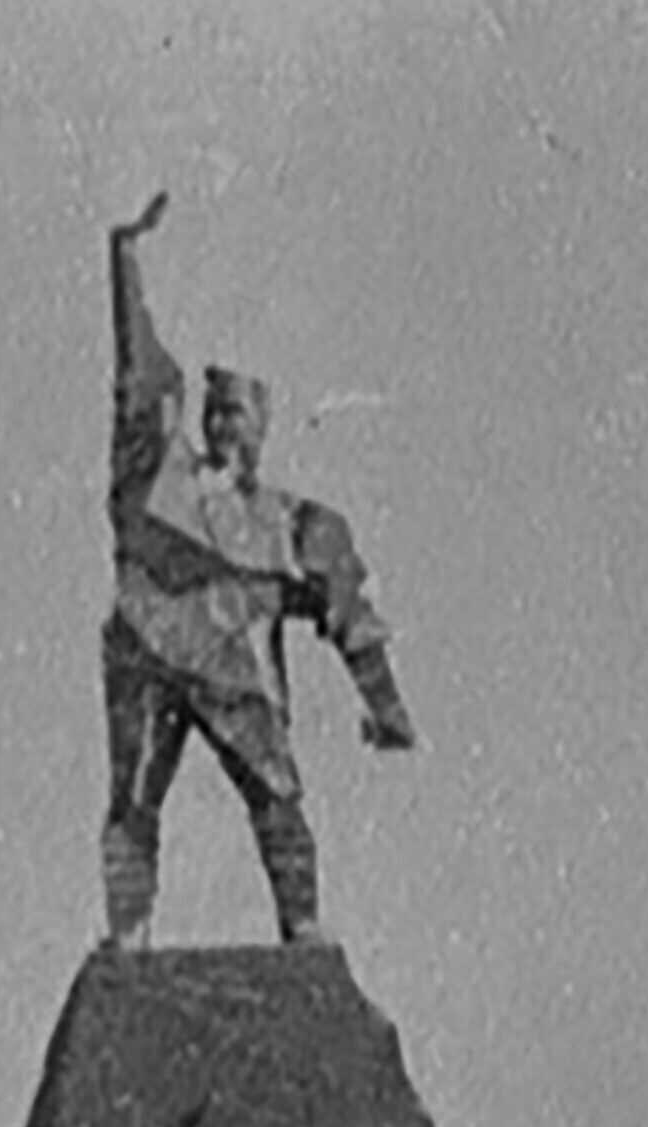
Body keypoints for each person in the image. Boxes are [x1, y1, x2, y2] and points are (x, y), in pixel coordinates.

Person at [102, 191, 420, 952]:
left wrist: (386, 709)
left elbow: (351, 617)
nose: (219, 426)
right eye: (212, 412)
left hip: (237, 672)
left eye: (235, 413)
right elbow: (138, 365)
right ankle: (128, 933)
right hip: (145, 649)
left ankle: (300, 926)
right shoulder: (159, 473)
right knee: (133, 802)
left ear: (261, 426)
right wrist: (126, 258)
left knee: (276, 796)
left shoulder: (294, 523)